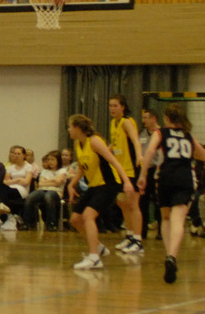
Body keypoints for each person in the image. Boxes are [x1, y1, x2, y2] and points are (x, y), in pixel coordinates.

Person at [137, 103, 205, 283]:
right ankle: (172, 256)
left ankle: (168, 253)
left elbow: (149, 152)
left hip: (165, 177)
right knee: (178, 220)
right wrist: (193, 154)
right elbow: (204, 155)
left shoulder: (161, 132)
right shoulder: (188, 135)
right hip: (184, 178)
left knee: (166, 218)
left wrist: (143, 174)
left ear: (167, 118)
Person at [66, 114, 134, 270]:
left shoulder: (94, 141)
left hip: (109, 184)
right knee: (75, 220)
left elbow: (113, 160)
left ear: (77, 128)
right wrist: (72, 184)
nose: (68, 130)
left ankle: (94, 258)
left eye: (70, 126)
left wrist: (127, 181)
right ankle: (98, 247)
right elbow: (82, 166)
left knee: (88, 216)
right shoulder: (78, 144)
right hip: (94, 185)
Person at [108, 95, 145, 254]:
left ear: (123, 107)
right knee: (122, 203)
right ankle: (130, 236)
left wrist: (139, 155)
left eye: (115, 105)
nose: (112, 108)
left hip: (131, 169)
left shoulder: (127, 122)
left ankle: (138, 240)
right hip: (120, 170)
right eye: (110, 105)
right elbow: (115, 144)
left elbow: (136, 140)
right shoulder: (113, 123)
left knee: (132, 204)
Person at [23, 150, 67, 231]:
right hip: (42, 190)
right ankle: (27, 223)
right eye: (49, 159)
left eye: (52, 160)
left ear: (58, 160)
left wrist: (47, 181)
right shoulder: (44, 171)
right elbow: (41, 184)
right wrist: (53, 179)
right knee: (30, 197)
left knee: (48, 196)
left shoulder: (62, 171)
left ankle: (51, 223)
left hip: (56, 192)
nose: (50, 162)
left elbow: (58, 183)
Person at [138, 109, 163, 240]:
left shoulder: (161, 133)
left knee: (159, 201)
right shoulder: (142, 134)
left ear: (154, 118)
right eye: (143, 118)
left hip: (157, 170)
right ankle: (142, 231)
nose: (144, 121)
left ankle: (161, 230)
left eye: (146, 118)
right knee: (143, 201)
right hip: (145, 170)